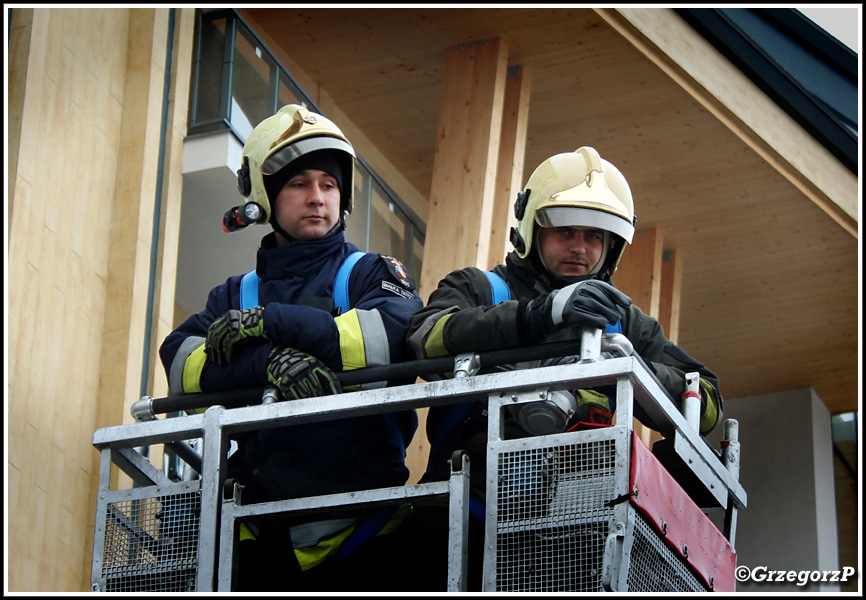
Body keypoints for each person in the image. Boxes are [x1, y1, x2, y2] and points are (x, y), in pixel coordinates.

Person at [400, 146, 723, 590]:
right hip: (465, 509)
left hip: (576, 530)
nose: (579, 248)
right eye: (565, 231)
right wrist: (537, 315)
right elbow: (425, 338)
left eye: (594, 236)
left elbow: (704, 401)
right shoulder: (480, 288)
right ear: (533, 230)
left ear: (611, 248)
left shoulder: (624, 321)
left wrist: (628, 367)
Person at [158, 104, 423, 591]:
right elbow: (181, 362)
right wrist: (270, 361)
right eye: (299, 184)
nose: (317, 197)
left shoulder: (371, 273)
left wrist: (267, 323)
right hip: (257, 536)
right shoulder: (235, 293)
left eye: (328, 184)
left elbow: (387, 341)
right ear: (265, 195)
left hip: (365, 533)